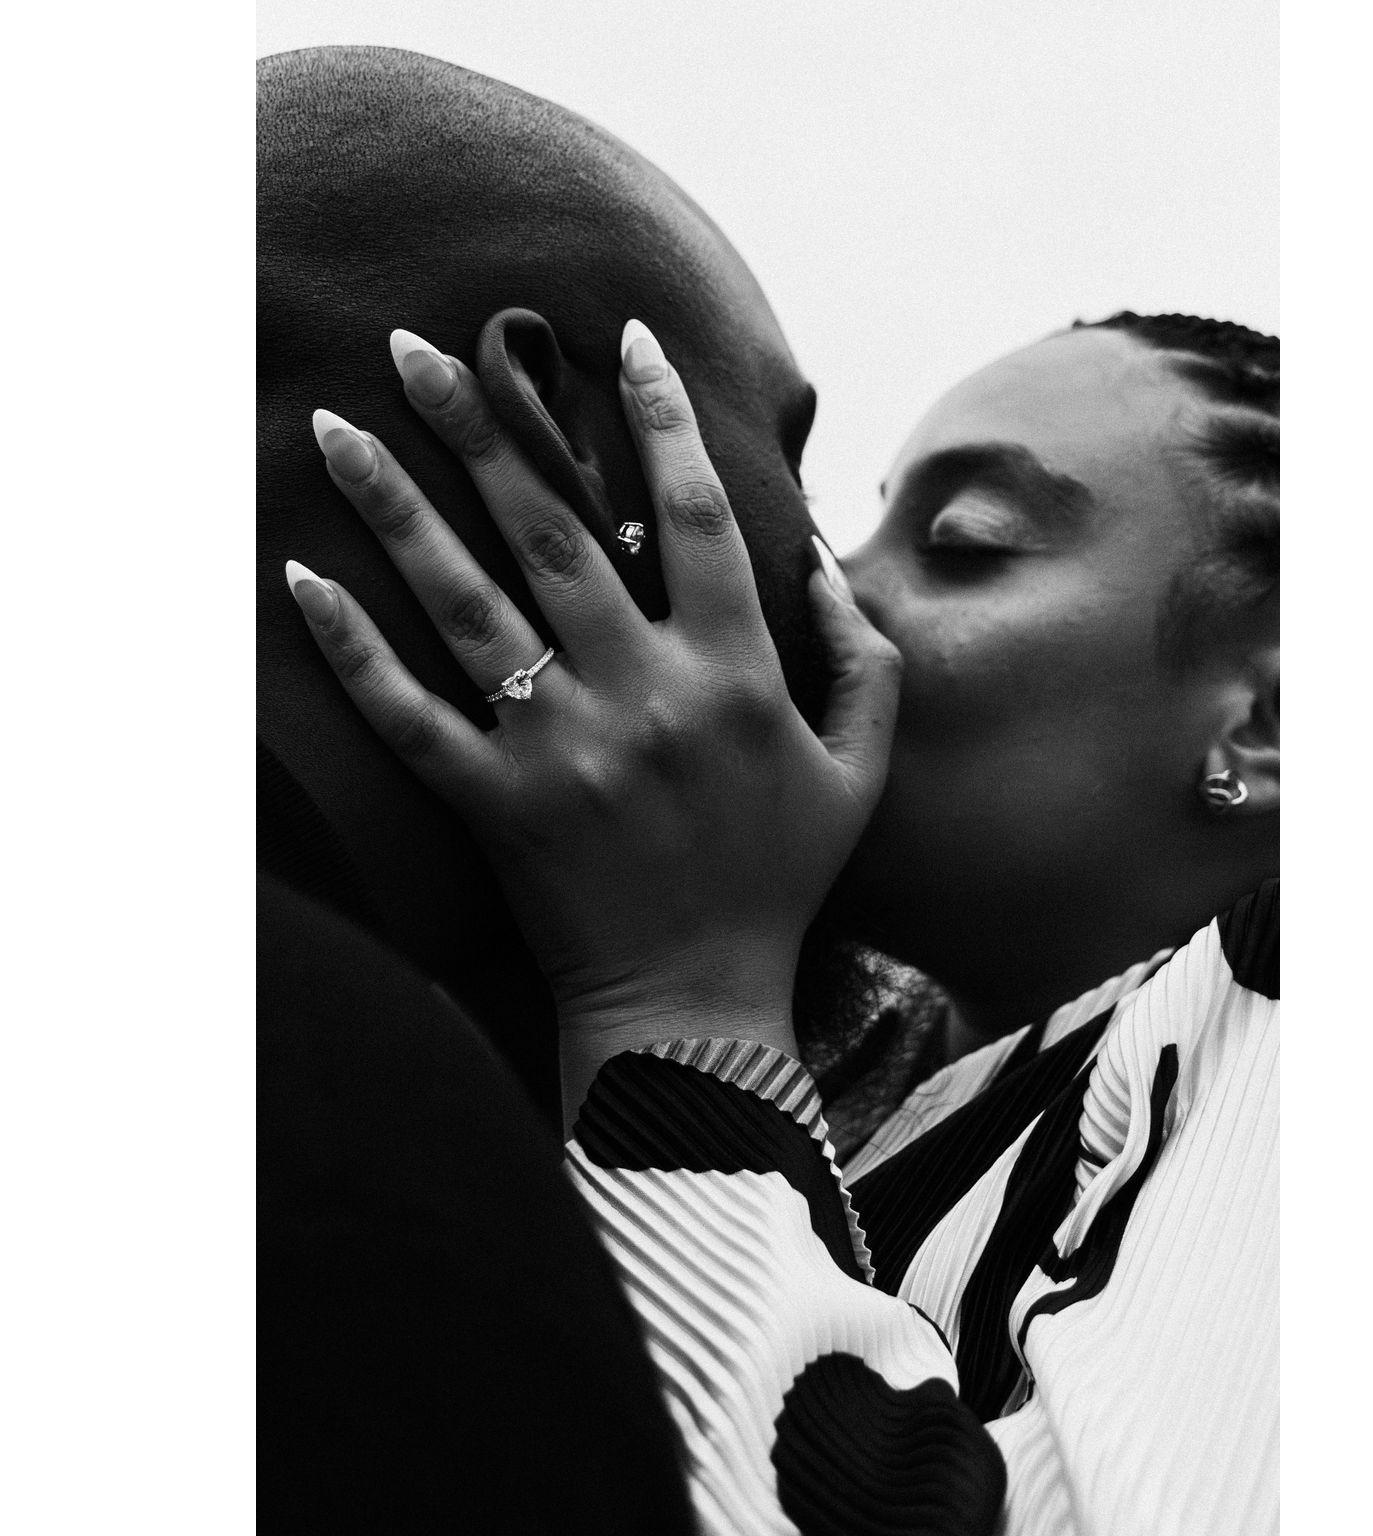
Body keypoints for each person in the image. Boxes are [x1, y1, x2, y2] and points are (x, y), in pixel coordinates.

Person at [289, 303, 1279, 1535]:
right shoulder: (875, 1090)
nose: (828, 587)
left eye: (964, 543)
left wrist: (678, 994)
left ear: (1266, 724)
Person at [258, 45, 838, 1532]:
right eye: (797, 462)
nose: (850, 581)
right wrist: (691, 1001)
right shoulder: (337, 1129)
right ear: (581, 437)